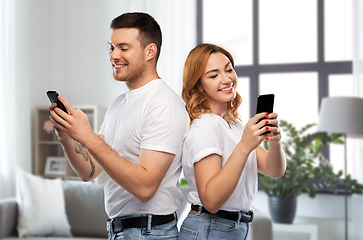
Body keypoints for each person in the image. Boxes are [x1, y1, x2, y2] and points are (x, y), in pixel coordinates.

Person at [49, 12, 189, 239]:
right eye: (111, 47)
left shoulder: (164, 105)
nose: (113, 55)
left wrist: (87, 136)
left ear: (150, 52)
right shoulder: (118, 105)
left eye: (123, 48)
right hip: (121, 231)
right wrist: (67, 135)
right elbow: (90, 171)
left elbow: (145, 188)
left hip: (150, 233)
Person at [178, 43, 286, 240]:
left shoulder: (234, 126)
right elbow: (210, 200)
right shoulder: (205, 127)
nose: (227, 79)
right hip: (209, 227)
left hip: (228, 228)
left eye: (229, 69)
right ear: (199, 86)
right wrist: (244, 147)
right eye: (213, 75)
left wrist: (275, 141)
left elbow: (274, 170)